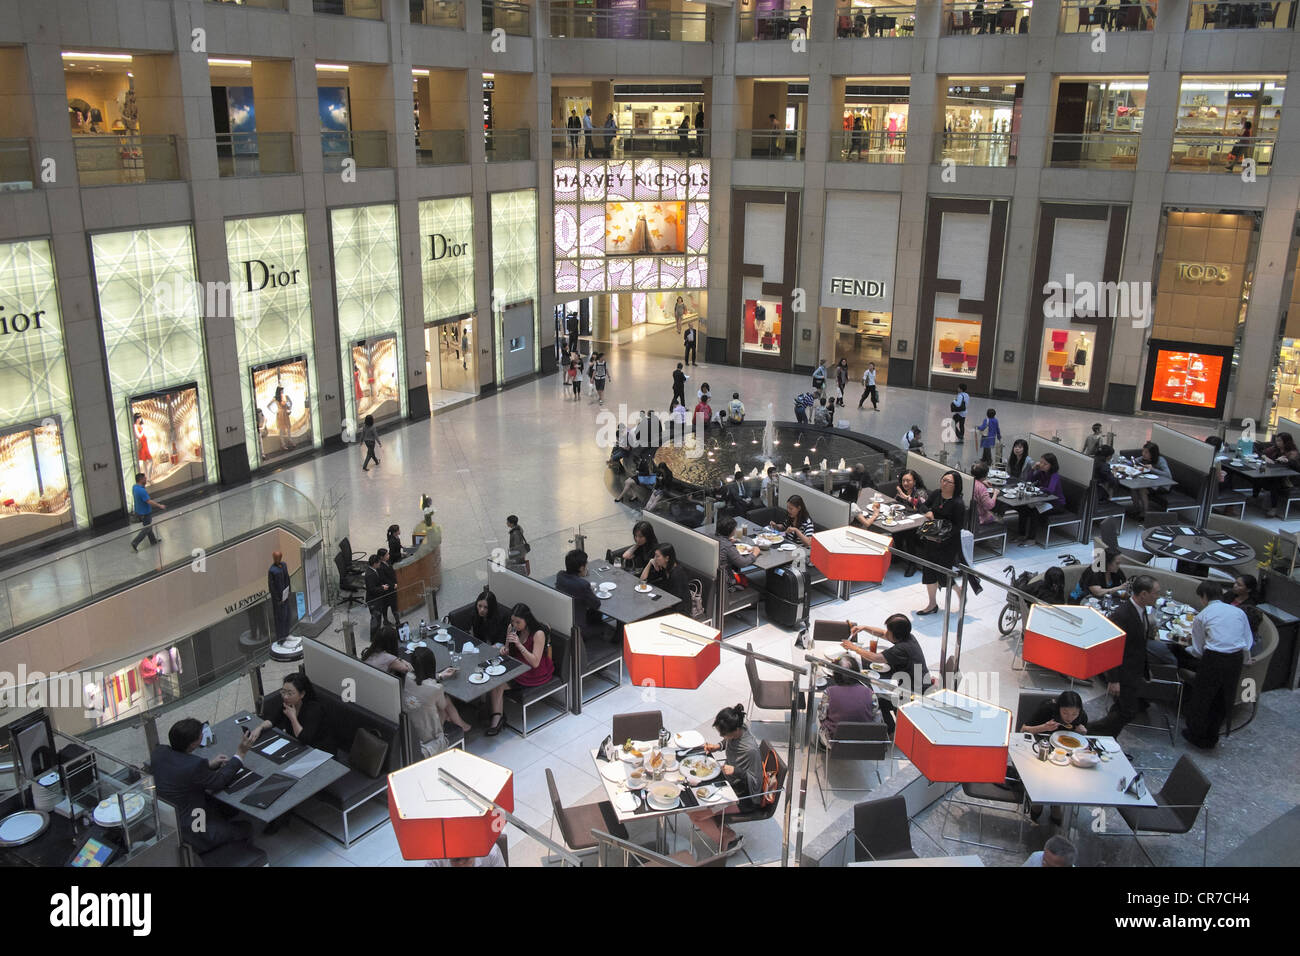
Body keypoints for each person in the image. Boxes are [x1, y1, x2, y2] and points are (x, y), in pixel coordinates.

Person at [152, 717, 255, 853]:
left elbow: (179, 771)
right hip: (193, 829)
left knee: (226, 811)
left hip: (169, 819)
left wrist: (208, 765)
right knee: (245, 827)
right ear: (193, 744)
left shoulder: (159, 752)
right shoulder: (194, 765)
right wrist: (240, 753)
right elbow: (219, 781)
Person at [1181, 579, 1254, 750]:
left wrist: (1186, 648)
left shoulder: (1203, 616)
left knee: (1203, 698)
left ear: (1204, 597)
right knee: (1223, 698)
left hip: (1213, 659)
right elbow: (1247, 640)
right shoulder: (1237, 612)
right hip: (1235, 659)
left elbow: (1198, 650)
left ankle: (1196, 735)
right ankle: (1212, 736)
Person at [1089, 574, 1161, 738]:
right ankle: (1094, 732)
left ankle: (1106, 738)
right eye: (1155, 593)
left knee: (1121, 709)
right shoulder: (1123, 615)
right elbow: (1110, 648)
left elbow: (1138, 645)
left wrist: (1145, 668)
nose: (1158, 596)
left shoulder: (1140, 611)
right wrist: (1113, 679)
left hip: (1134, 671)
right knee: (1128, 712)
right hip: (1123, 673)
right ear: (1143, 594)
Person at [687, 705, 764, 853]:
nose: (723, 738)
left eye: (724, 735)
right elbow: (730, 742)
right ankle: (724, 831)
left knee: (696, 815)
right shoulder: (740, 731)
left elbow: (756, 782)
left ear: (735, 731)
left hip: (742, 798)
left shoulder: (750, 750)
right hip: (727, 785)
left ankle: (730, 841)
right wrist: (718, 746)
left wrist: (737, 771)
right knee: (691, 800)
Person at [841, 613, 931, 733]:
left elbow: (876, 658)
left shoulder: (901, 649)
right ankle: (890, 726)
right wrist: (864, 627)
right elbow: (883, 633)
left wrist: (855, 648)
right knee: (879, 694)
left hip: (912, 693)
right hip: (913, 685)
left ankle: (889, 729)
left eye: (889, 631)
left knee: (876, 698)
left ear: (897, 635)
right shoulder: (909, 637)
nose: (886, 633)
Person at [485, 603, 555, 736]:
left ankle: (496, 719)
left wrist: (518, 644)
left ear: (526, 620)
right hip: (518, 665)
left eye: (518, 622)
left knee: (498, 684)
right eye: (512, 621)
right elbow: (507, 649)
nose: (514, 625)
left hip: (534, 671)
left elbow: (535, 662)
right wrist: (504, 650)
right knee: (493, 679)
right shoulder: (511, 628)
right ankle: (496, 715)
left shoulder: (538, 634)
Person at [404, 646, 470, 754]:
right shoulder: (435, 688)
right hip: (428, 734)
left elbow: (420, 679)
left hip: (411, 727)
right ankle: (461, 725)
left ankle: (460, 724)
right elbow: (442, 706)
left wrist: (440, 675)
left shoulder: (406, 677)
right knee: (446, 702)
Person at [917, 471, 965, 615]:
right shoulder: (937, 494)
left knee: (943, 574)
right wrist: (928, 512)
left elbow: (958, 526)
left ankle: (959, 590)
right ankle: (932, 604)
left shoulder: (958, 503)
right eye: (943, 480)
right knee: (928, 571)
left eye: (948, 482)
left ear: (955, 485)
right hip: (932, 538)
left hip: (948, 543)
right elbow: (924, 506)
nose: (944, 483)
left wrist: (941, 537)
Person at [251, 673, 332, 751]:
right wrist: (260, 727)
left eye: (290, 693)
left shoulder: (314, 709)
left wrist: (292, 718)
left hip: (318, 750)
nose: (285, 697)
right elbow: (273, 719)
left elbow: (305, 739)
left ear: (302, 694)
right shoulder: (288, 703)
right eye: (283, 692)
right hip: (296, 745)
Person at [819, 655, 876, 748]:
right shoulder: (870, 693)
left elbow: (821, 716)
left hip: (834, 742)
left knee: (817, 721)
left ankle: (823, 746)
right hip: (864, 742)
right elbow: (875, 717)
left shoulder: (829, 692)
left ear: (835, 674)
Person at [555, 548, 608, 643]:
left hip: (564, 621)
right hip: (578, 629)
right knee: (606, 627)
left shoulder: (560, 576)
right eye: (586, 565)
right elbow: (596, 604)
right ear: (581, 568)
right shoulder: (582, 585)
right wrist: (589, 591)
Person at [1017, 453, 1067, 546]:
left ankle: (1031, 539)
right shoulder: (1041, 472)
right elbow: (1029, 481)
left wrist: (1038, 488)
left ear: (1051, 465)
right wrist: (1033, 469)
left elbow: (1050, 490)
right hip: (1045, 501)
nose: (1041, 465)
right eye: (1041, 462)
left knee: (1035, 512)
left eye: (1045, 464)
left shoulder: (1054, 475)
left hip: (1057, 504)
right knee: (1023, 509)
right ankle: (1021, 534)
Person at [1130, 440, 1173, 517]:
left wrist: (1152, 469)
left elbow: (1168, 475)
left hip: (1163, 485)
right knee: (1133, 488)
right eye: (1143, 451)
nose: (1143, 454)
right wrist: (1134, 464)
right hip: (1150, 483)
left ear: (1152, 454)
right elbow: (1134, 461)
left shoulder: (1160, 461)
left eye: (1146, 452)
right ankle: (1136, 509)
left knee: (1142, 490)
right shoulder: (1144, 458)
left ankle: (1145, 514)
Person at [1019, 690, 1088, 735]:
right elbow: (1023, 730)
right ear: (1058, 708)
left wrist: (1082, 732)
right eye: (1065, 713)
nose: (1069, 718)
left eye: (1074, 714)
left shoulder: (1082, 717)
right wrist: (1044, 728)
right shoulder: (1047, 709)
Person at [129, 472, 167, 551]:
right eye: (144, 478)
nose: (146, 479)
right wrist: (159, 505)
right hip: (145, 512)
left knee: (148, 526)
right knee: (147, 528)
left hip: (139, 511)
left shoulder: (135, 487)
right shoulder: (141, 491)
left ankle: (153, 540)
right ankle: (135, 542)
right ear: (141, 480)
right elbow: (149, 501)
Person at [268, 550, 292, 642]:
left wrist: (288, 591)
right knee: (280, 618)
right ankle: (281, 639)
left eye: (279, 557)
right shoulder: (272, 570)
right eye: (275, 557)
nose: (277, 559)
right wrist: (278, 599)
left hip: (285, 596)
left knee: (287, 616)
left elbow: (287, 578)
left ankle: (287, 634)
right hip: (278, 601)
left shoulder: (284, 565)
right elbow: (271, 587)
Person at [363, 553, 390, 633]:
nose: (380, 564)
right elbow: (372, 589)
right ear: (374, 564)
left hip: (377, 598)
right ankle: (374, 637)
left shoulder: (373, 570)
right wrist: (382, 587)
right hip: (373, 600)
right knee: (375, 619)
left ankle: (377, 634)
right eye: (378, 563)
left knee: (378, 618)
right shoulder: (370, 574)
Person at [970, 462, 1001, 528]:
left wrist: (982, 481)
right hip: (978, 517)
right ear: (985, 475)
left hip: (969, 514)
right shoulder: (981, 488)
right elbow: (989, 505)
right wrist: (995, 493)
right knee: (1000, 520)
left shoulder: (970, 480)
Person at [428, 843, 507, 868]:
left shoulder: (491, 852)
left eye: (466, 858)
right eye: (456, 859)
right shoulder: (437, 858)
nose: (461, 864)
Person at [377, 548, 400, 625]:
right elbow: (384, 579)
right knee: (386, 606)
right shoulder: (380, 567)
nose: (388, 555)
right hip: (387, 589)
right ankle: (386, 620)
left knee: (394, 605)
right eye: (387, 554)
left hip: (393, 588)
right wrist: (393, 585)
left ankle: (397, 621)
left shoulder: (388, 562)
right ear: (381, 557)